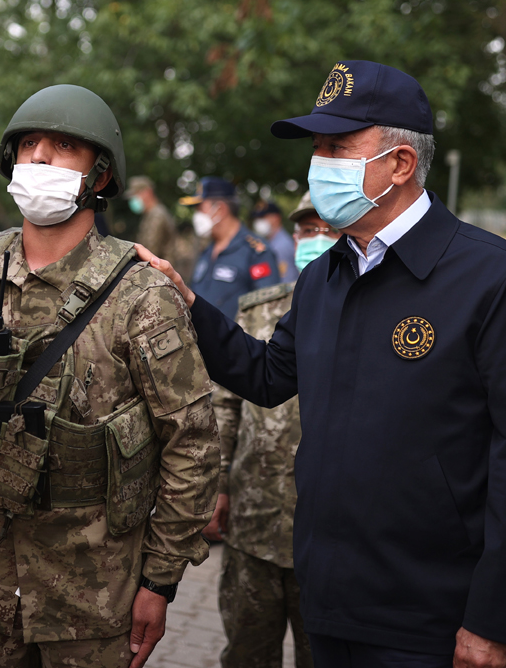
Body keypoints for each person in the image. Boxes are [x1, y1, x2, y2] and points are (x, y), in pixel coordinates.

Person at [138, 60, 506, 668]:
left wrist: (495, 621)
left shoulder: (497, 280)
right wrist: (189, 304)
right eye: (317, 147)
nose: (320, 164)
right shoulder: (325, 276)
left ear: (400, 164)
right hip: (330, 601)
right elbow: (266, 376)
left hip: (432, 620)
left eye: (338, 146)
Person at [0, 84, 220, 668]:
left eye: (64, 146)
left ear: (98, 176)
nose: (41, 158)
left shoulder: (140, 294)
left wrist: (160, 579)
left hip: (93, 599)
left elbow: (192, 443)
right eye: (29, 145)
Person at [204, 192, 338, 668]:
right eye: (307, 230)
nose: (315, 239)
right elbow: (226, 405)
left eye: (329, 229)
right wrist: (217, 487)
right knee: (246, 654)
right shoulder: (261, 310)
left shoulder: (370, 316)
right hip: (254, 520)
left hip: (330, 539)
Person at [184, 177, 281, 316]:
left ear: (220, 209)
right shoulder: (207, 250)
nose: (196, 215)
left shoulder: (256, 252)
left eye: (200, 208)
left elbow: (268, 311)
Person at [126, 175, 177, 263]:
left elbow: (150, 251)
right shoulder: (150, 215)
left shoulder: (157, 215)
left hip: (159, 274)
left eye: (136, 194)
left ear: (148, 192)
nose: (133, 199)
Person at [252, 201, 299, 282]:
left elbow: (285, 283)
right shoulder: (272, 242)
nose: (259, 221)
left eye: (263, 217)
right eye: (257, 218)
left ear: (276, 218)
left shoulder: (281, 246)